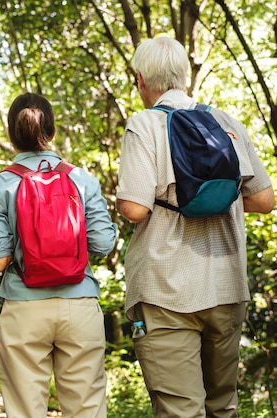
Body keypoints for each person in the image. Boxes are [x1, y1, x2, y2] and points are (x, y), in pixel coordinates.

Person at [116, 35, 275, 417]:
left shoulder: (145, 125)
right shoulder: (226, 122)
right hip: (225, 284)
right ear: (184, 75)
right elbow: (264, 200)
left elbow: (135, 209)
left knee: (180, 409)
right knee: (223, 406)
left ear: (141, 79)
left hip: (166, 292)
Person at [0, 92, 117, 418]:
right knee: (87, 409)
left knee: (26, 410)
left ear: (11, 135)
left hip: (24, 307)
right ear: (51, 132)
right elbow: (103, 244)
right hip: (79, 303)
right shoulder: (81, 179)